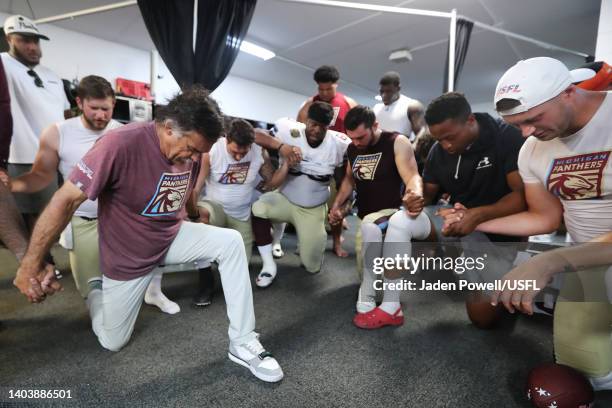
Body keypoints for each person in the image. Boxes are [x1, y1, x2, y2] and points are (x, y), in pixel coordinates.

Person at [14, 86, 284, 383]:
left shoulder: (190, 152)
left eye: (200, 153)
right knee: (112, 340)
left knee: (230, 242)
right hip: (129, 256)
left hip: (170, 237)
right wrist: (30, 264)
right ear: (168, 128)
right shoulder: (118, 144)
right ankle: (95, 291)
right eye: (192, 149)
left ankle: (242, 341)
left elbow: (185, 191)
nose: (194, 157)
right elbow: (65, 200)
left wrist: (195, 215)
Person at [472, 56, 612, 390]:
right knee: (587, 376)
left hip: (581, 259)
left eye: (533, 119)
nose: (527, 133)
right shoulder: (532, 149)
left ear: (567, 93)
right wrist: (477, 222)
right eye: (516, 124)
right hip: (586, 263)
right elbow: (545, 217)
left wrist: (553, 260)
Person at [355, 92, 526, 329]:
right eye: (439, 139)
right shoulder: (440, 150)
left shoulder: (506, 137)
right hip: (455, 223)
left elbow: (521, 197)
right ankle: (391, 307)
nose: (446, 145)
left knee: (482, 319)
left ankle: (505, 275)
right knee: (400, 221)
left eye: (449, 137)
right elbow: (428, 193)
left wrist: (477, 215)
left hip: (495, 230)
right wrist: (414, 199)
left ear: (470, 121)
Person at [9, 75, 178, 313]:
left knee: (132, 279)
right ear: (79, 102)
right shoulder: (58, 133)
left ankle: (152, 292)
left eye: (106, 109)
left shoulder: (126, 134)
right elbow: (41, 176)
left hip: (121, 219)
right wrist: (11, 185)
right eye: (94, 108)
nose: (100, 115)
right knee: (93, 292)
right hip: (82, 220)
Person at [328, 105, 423, 326]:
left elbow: (412, 176)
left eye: (361, 136)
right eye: (352, 138)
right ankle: (379, 283)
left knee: (377, 243)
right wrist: (337, 205)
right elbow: (350, 180)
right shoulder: (353, 148)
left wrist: (414, 193)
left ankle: (389, 300)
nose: (357, 142)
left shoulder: (396, 142)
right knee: (366, 274)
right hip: (365, 216)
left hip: (393, 213)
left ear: (375, 126)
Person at [191, 119, 290, 303]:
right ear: (226, 139)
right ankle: (205, 279)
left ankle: (231, 280)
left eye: (243, 153)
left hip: (241, 215)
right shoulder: (213, 150)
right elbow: (196, 188)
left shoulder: (259, 152)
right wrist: (191, 213)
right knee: (201, 219)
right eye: (235, 152)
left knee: (239, 267)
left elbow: (271, 183)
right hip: (215, 207)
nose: (239, 157)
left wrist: (286, 165)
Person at [251, 101, 350, 286]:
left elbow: (348, 178)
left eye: (323, 127)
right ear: (306, 120)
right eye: (313, 124)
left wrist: (341, 206)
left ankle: (311, 252)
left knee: (311, 265)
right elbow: (254, 134)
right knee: (258, 207)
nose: (316, 130)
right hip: (284, 199)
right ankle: (268, 263)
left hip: (312, 209)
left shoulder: (339, 144)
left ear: (329, 127)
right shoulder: (288, 130)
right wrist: (282, 147)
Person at [1, 15, 71, 229]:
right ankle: (37, 261)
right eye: (24, 40)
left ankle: (43, 258)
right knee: (25, 217)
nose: (33, 47)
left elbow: (66, 113)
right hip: (21, 156)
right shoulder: (3, 64)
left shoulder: (51, 75)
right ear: (9, 38)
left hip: (56, 157)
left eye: (36, 41)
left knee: (52, 212)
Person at [297, 65, 357, 258]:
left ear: (336, 85)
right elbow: (299, 130)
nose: (323, 93)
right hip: (316, 158)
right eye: (320, 89)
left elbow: (355, 131)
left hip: (340, 158)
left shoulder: (348, 103)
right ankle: (305, 239)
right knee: (308, 198)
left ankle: (337, 242)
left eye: (328, 89)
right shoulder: (310, 104)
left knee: (339, 201)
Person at [372, 71, 426, 144]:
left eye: (388, 91)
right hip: (379, 150)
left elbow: (422, 133)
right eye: (382, 91)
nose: (384, 95)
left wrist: (412, 149)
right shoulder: (376, 108)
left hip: (401, 148)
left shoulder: (411, 106)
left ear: (398, 88)